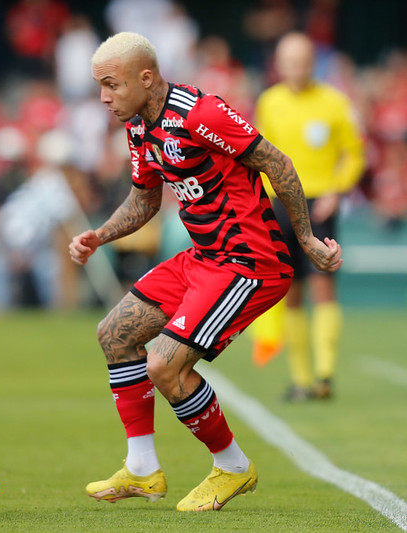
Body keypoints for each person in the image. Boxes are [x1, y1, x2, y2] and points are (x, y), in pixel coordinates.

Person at [68, 32, 342, 512]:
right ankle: (142, 468)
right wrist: (101, 235)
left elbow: (277, 162)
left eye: (111, 85)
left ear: (146, 78)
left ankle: (234, 468)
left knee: (164, 364)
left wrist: (304, 238)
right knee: (114, 333)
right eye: (100, 87)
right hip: (204, 259)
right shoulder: (139, 127)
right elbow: (145, 199)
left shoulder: (200, 113)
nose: (104, 97)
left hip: (249, 262)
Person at [253, 32, 365, 400]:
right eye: (288, 62)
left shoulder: (334, 102)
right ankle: (301, 379)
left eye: (301, 61)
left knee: (322, 284)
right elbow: (257, 153)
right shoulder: (269, 102)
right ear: (278, 65)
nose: (295, 69)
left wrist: (337, 189)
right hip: (281, 201)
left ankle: (324, 375)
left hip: (319, 202)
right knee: (291, 289)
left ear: (313, 62)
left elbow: (355, 153)